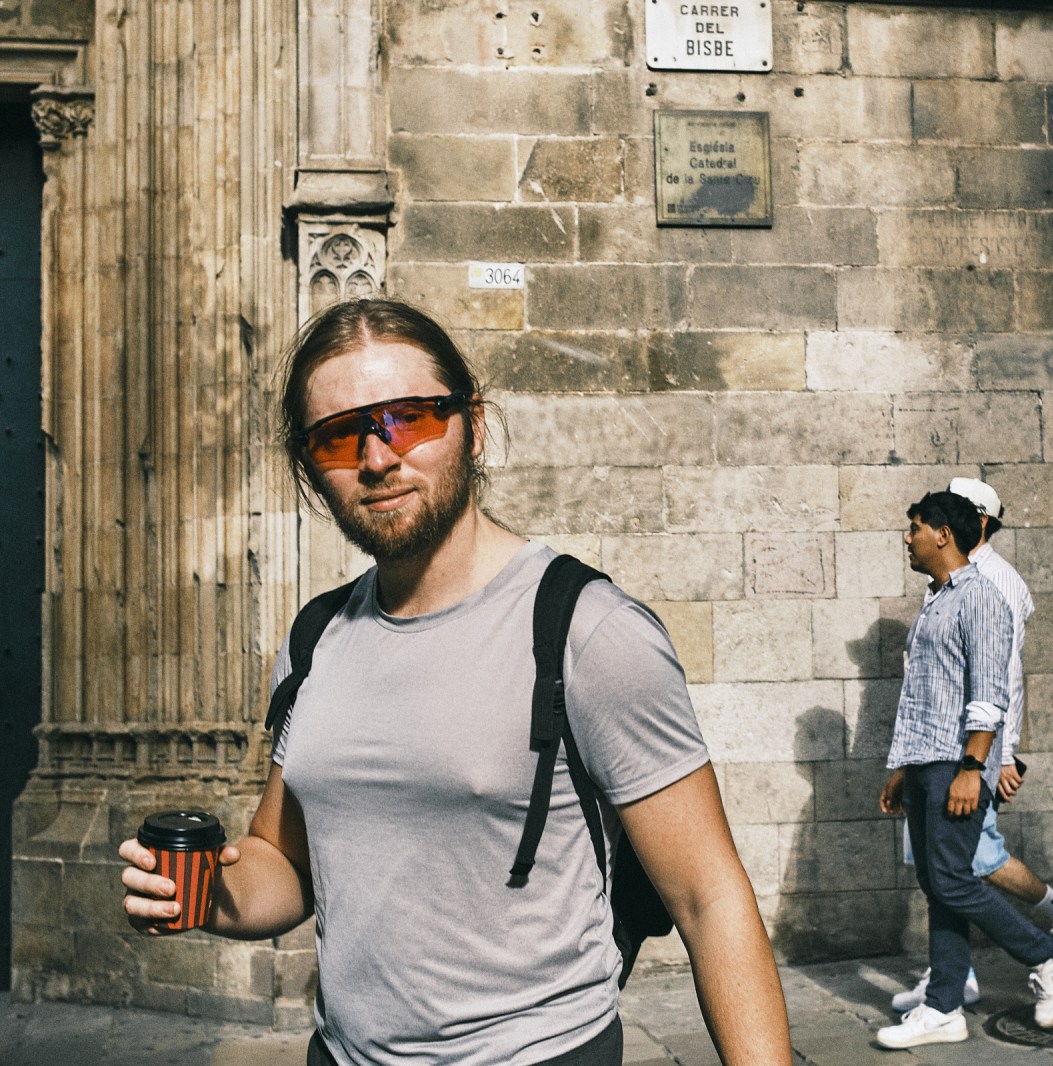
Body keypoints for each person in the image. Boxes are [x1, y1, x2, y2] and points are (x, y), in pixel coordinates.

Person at [117, 299, 791, 1066]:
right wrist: (201, 893)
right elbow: (287, 862)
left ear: (471, 421)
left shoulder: (584, 629)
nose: (376, 458)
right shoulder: (316, 638)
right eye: (339, 435)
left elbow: (709, 898)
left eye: (408, 417)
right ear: (311, 465)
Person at [891, 477, 1053, 1014]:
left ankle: (1046, 952)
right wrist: (901, 765)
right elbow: (923, 691)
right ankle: (944, 1003)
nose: (906, 538)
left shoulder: (986, 592)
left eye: (914, 529)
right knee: (938, 881)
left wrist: (979, 763)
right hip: (927, 757)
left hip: (957, 759)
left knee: (952, 879)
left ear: (944, 534)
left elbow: (993, 688)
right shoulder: (940, 597)